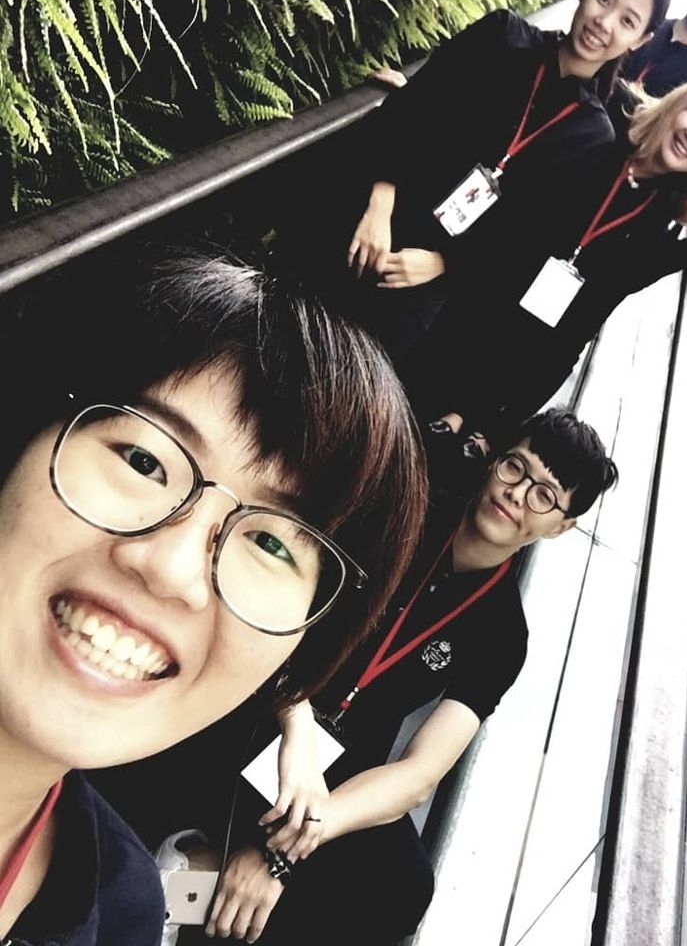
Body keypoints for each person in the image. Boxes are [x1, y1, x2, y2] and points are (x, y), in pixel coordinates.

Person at [0, 246, 427, 945]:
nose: (171, 569)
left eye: (272, 543)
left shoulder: (124, 913)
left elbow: (422, 771)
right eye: (143, 460)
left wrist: (292, 836)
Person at [101, 409, 617, 945]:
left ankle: (189, 873)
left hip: (334, 776)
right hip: (272, 691)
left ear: (562, 526)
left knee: (399, 884)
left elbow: (418, 775)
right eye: (516, 468)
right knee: (197, 737)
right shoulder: (403, 510)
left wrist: (288, 848)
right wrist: (298, 726)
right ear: (494, 461)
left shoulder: (504, 634)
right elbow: (271, 604)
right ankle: (175, 882)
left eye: (544, 495)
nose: (518, 494)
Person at [271, 0, 672, 360]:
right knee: (272, 330)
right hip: (365, 216)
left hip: (417, 281)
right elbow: (412, 108)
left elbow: (525, 235)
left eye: (628, 21)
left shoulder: (593, 134)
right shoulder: (502, 37)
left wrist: (443, 263)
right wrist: (380, 204)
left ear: (640, 40)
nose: (605, 23)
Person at [404, 75, 687, 443]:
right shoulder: (604, 120)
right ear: (678, 104)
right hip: (441, 282)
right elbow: (512, 194)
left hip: (487, 344)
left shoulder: (654, 221)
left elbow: (574, 332)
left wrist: (484, 422)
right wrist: (447, 259)